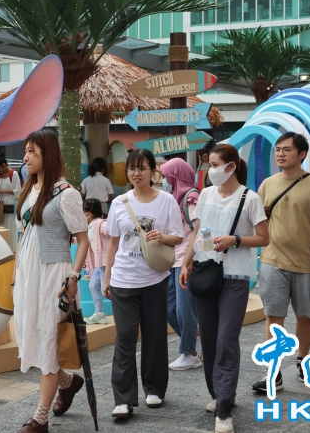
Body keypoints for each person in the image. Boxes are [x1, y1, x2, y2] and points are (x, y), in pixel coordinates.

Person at [181, 144, 269, 433]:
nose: (211, 170)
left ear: (231, 166)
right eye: (209, 164)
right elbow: (197, 231)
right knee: (208, 340)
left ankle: (223, 411)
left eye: (216, 164)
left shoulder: (249, 197)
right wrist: (186, 262)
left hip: (235, 277)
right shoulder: (206, 194)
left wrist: (236, 240)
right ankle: (220, 394)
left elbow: (264, 238)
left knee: (226, 339)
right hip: (206, 273)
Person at [13, 129, 90, 433]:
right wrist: (17, 273)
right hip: (29, 274)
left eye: (31, 151)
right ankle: (68, 382)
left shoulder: (67, 194)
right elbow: (24, 234)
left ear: (48, 154)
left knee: (48, 340)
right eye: (25, 151)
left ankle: (40, 418)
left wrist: (73, 276)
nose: (26, 157)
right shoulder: (28, 189)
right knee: (35, 336)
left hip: (54, 275)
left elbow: (83, 240)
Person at [252, 132, 310, 394]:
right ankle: (273, 371)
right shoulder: (267, 184)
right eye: (278, 149)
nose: (280, 153)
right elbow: (258, 222)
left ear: (301, 154)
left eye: (287, 149)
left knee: (305, 316)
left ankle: (302, 360)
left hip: (306, 263)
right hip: (272, 260)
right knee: (273, 317)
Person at [103, 149, 184, 419]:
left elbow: (178, 236)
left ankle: (154, 388)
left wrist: (162, 237)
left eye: (142, 168)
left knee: (154, 336)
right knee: (125, 337)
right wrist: (107, 277)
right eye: (131, 168)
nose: (136, 173)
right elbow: (113, 243)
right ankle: (123, 399)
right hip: (123, 280)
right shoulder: (119, 203)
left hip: (154, 280)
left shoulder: (166, 200)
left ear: (152, 171)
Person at [160, 157, 203, 371]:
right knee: (169, 308)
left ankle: (189, 353)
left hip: (186, 261)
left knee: (184, 309)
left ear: (175, 175)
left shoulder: (191, 197)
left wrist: (190, 260)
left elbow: (199, 230)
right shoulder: (174, 198)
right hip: (174, 260)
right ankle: (196, 342)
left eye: (166, 176)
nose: (164, 180)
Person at [83, 198, 110, 324]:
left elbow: (110, 231)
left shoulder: (100, 223)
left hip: (106, 263)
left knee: (109, 289)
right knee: (93, 286)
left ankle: (127, 310)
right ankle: (99, 313)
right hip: (100, 264)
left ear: (88, 214)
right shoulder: (91, 226)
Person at [0, 155, 22, 251]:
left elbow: (18, 191)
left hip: (11, 203)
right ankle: (2, 248)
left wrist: (3, 191)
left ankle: (11, 248)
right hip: (1, 203)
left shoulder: (14, 174)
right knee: (0, 225)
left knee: (10, 225)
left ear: (4, 165)